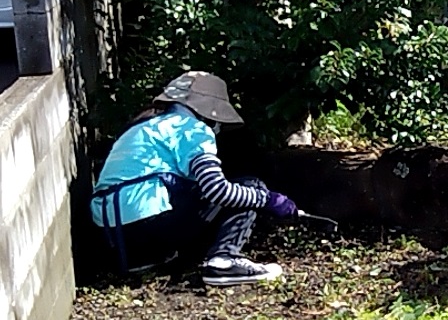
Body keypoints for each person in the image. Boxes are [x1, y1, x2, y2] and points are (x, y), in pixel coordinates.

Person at [89, 71, 297, 286]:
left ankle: (149, 261)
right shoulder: (191, 129)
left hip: (112, 238)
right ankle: (225, 260)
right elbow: (217, 190)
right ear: (207, 111)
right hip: (151, 224)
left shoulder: (138, 128)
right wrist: (268, 199)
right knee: (249, 186)